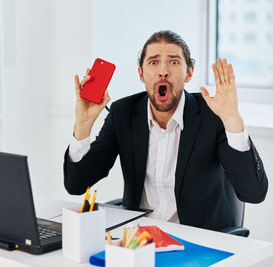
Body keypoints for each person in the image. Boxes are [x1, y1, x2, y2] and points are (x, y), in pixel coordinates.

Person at [63, 30, 268, 231]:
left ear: (189, 73)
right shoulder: (123, 113)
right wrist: (83, 125)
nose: (163, 71)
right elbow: (76, 185)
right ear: (141, 74)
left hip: (198, 241)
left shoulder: (213, 115)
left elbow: (253, 193)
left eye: (173, 61)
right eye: (153, 62)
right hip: (139, 239)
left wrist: (232, 120)